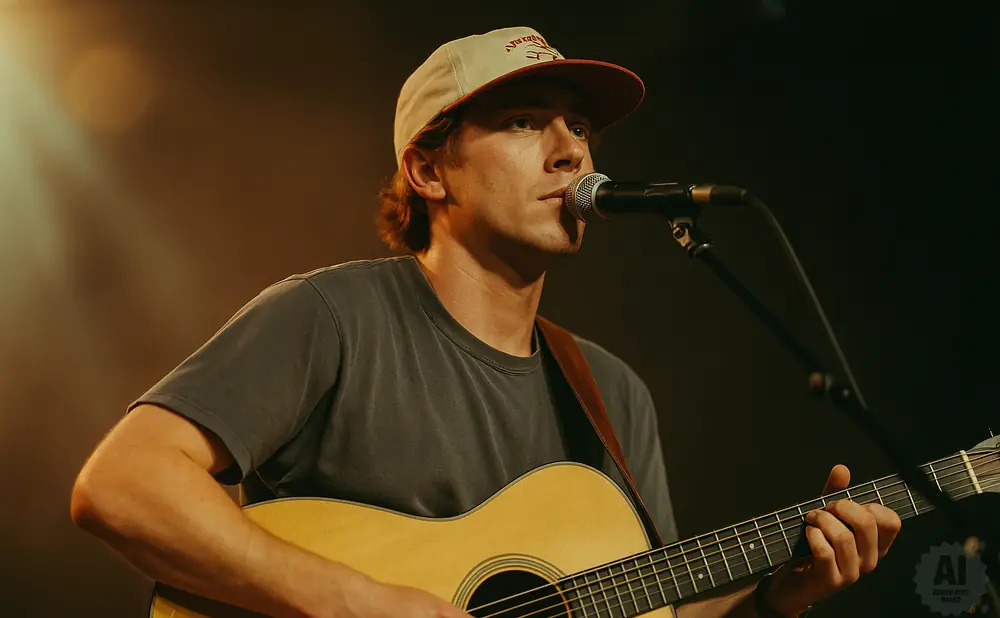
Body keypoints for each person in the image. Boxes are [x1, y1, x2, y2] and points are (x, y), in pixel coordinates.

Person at [70, 26, 902, 618]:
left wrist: (773, 599)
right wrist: (355, 599)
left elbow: (651, 611)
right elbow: (122, 485)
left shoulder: (612, 393)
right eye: (523, 121)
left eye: (579, 125)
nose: (572, 150)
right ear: (428, 170)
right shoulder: (330, 316)